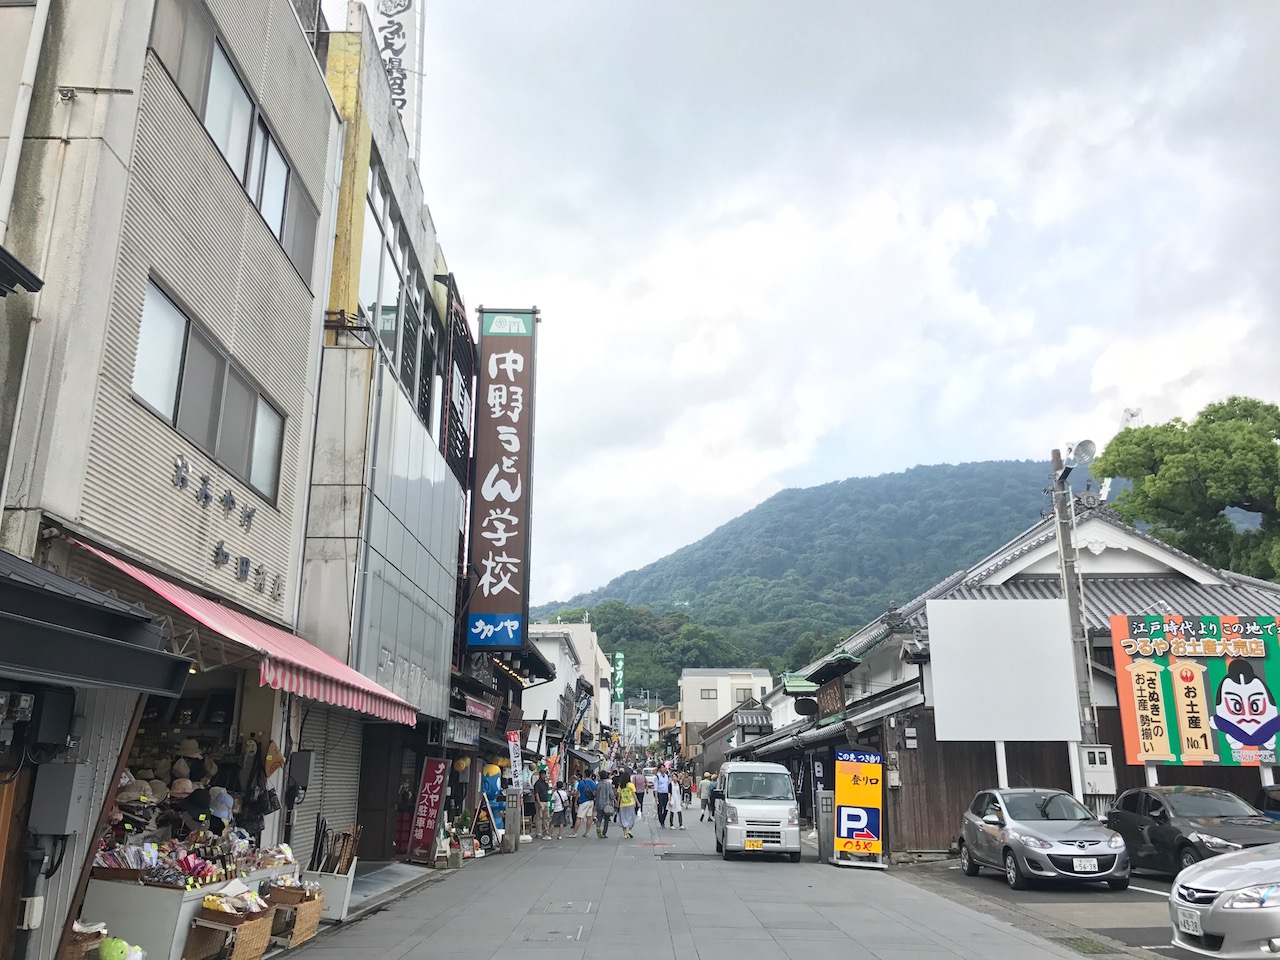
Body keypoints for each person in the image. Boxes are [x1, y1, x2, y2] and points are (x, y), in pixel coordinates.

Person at [574, 770, 598, 838]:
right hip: (591, 801)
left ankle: (574, 832)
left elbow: (577, 793)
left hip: (583, 801)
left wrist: (575, 802)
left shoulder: (581, 782)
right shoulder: (593, 783)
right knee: (589, 817)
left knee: (579, 817)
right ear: (591, 775)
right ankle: (587, 832)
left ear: (584, 774)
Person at [616, 773, 637, 839]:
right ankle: (630, 830)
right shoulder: (631, 785)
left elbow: (619, 795)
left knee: (623, 818)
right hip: (630, 804)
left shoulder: (621, 786)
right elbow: (634, 794)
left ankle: (625, 834)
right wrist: (637, 802)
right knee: (631, 818)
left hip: (623, 804)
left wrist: (618, 803)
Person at [533, 770, 551, 839]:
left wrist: (547, 783)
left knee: (546, 817)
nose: (544, 776)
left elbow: (548, 789)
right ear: (540, 775)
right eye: (543, 775)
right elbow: (536, 793)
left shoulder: (545, 783)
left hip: (545, 801)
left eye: (544, 775)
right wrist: (539, 802)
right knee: (539, 817)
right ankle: (538, 832)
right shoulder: (537, 784)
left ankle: (546, 831)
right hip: (540, 801)